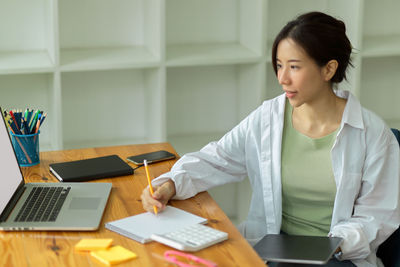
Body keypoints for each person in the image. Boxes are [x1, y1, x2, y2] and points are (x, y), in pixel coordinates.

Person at [141, 11, 400, 267]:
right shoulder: (268, 118)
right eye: (279, 65)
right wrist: (170, 184)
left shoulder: (373, 134)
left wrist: (329, 247)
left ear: (329, 69)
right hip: (273, 249)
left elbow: (377, 215)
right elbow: (218, 159)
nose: (282, 78)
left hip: (338, 255)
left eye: (294, 67)